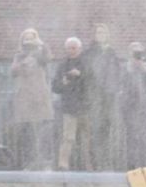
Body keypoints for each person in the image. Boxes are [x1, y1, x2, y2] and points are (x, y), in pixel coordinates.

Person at [9, 28, 52, 169]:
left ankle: (42, 161)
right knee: (27, 131)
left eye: (31, 38)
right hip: (25, 97)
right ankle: (28, 161)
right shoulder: (19, 56)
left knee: (41, 129)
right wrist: (23, 62)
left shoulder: (40, 54)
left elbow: (48, 58)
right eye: (26, 38)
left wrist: (40, 44)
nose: (28, 41)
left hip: (40, 95)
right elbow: (13, 72)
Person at [85, 23, 120, 170]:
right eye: (98, 32)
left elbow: (117, 72)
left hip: (109, 95)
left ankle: (107, 162)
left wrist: (115, 88)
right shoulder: (90, 52)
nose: (100, 35)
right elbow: (88, 72)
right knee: (95, 129)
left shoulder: (112, 52)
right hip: (96, 95)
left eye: (103, 32)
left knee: (108, 129)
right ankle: (95, 162)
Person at [53, 37, 89, 170]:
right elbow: (55, 87)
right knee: (68, 138)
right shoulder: (62, 66)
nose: (71, 51)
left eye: (74, 48)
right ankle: (63, 165)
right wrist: (63, 83)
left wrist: (81, 75)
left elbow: (93, 84)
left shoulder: (86, 64)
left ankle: (89, 164)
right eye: (69, 48)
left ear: (80, 49)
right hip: (69, 107)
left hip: (86, 106)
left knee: (87, 138)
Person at [119, 41, 146, 168]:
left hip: (144, 108)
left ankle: (144, 164)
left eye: (139, 52)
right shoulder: (125, 67)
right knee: (131, 137)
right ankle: (131, 165)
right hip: (130, 108)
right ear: (129, 53)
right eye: (134, 52)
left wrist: (144, 69)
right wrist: (130, 69)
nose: (137, 55)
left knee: (144, 138)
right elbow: (121, 83)